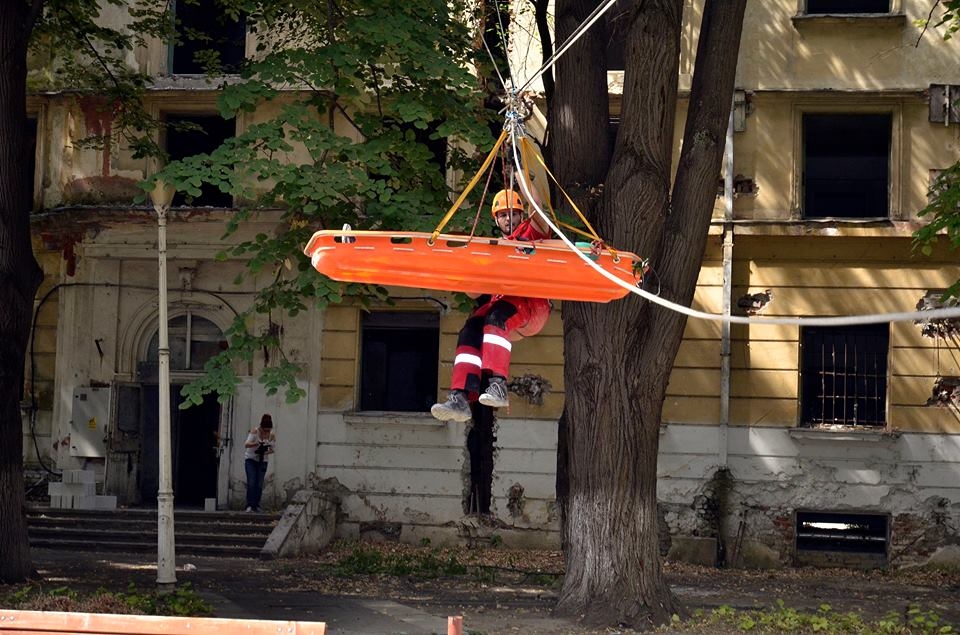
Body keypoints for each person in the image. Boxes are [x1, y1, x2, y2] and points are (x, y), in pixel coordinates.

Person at [431, 188, 552, 422]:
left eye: (513, 214)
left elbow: (538, 207)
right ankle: (460, 397)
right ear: (496, 219)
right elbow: (474, 291)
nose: (509, 219)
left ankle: (498, 385)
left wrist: (520, 175)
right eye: (503, 215)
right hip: (506, 304)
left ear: (520, 215)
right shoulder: (495, 247)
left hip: (531, 303)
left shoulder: (532, 232)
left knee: (496, 316)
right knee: (471, 329)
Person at [243, 413, 276, 512]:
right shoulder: (255, 431)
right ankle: (250, 505)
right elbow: (246, 444)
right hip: (251, 459)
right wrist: (256, 444)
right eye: (265, 430)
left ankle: (257, 504)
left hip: (263, 460)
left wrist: (264, 450)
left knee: (259, 483)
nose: (267, 432)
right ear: (261, 427)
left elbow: (273, 449)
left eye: (268, 430)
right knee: (252, 481)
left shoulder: (272, 435)